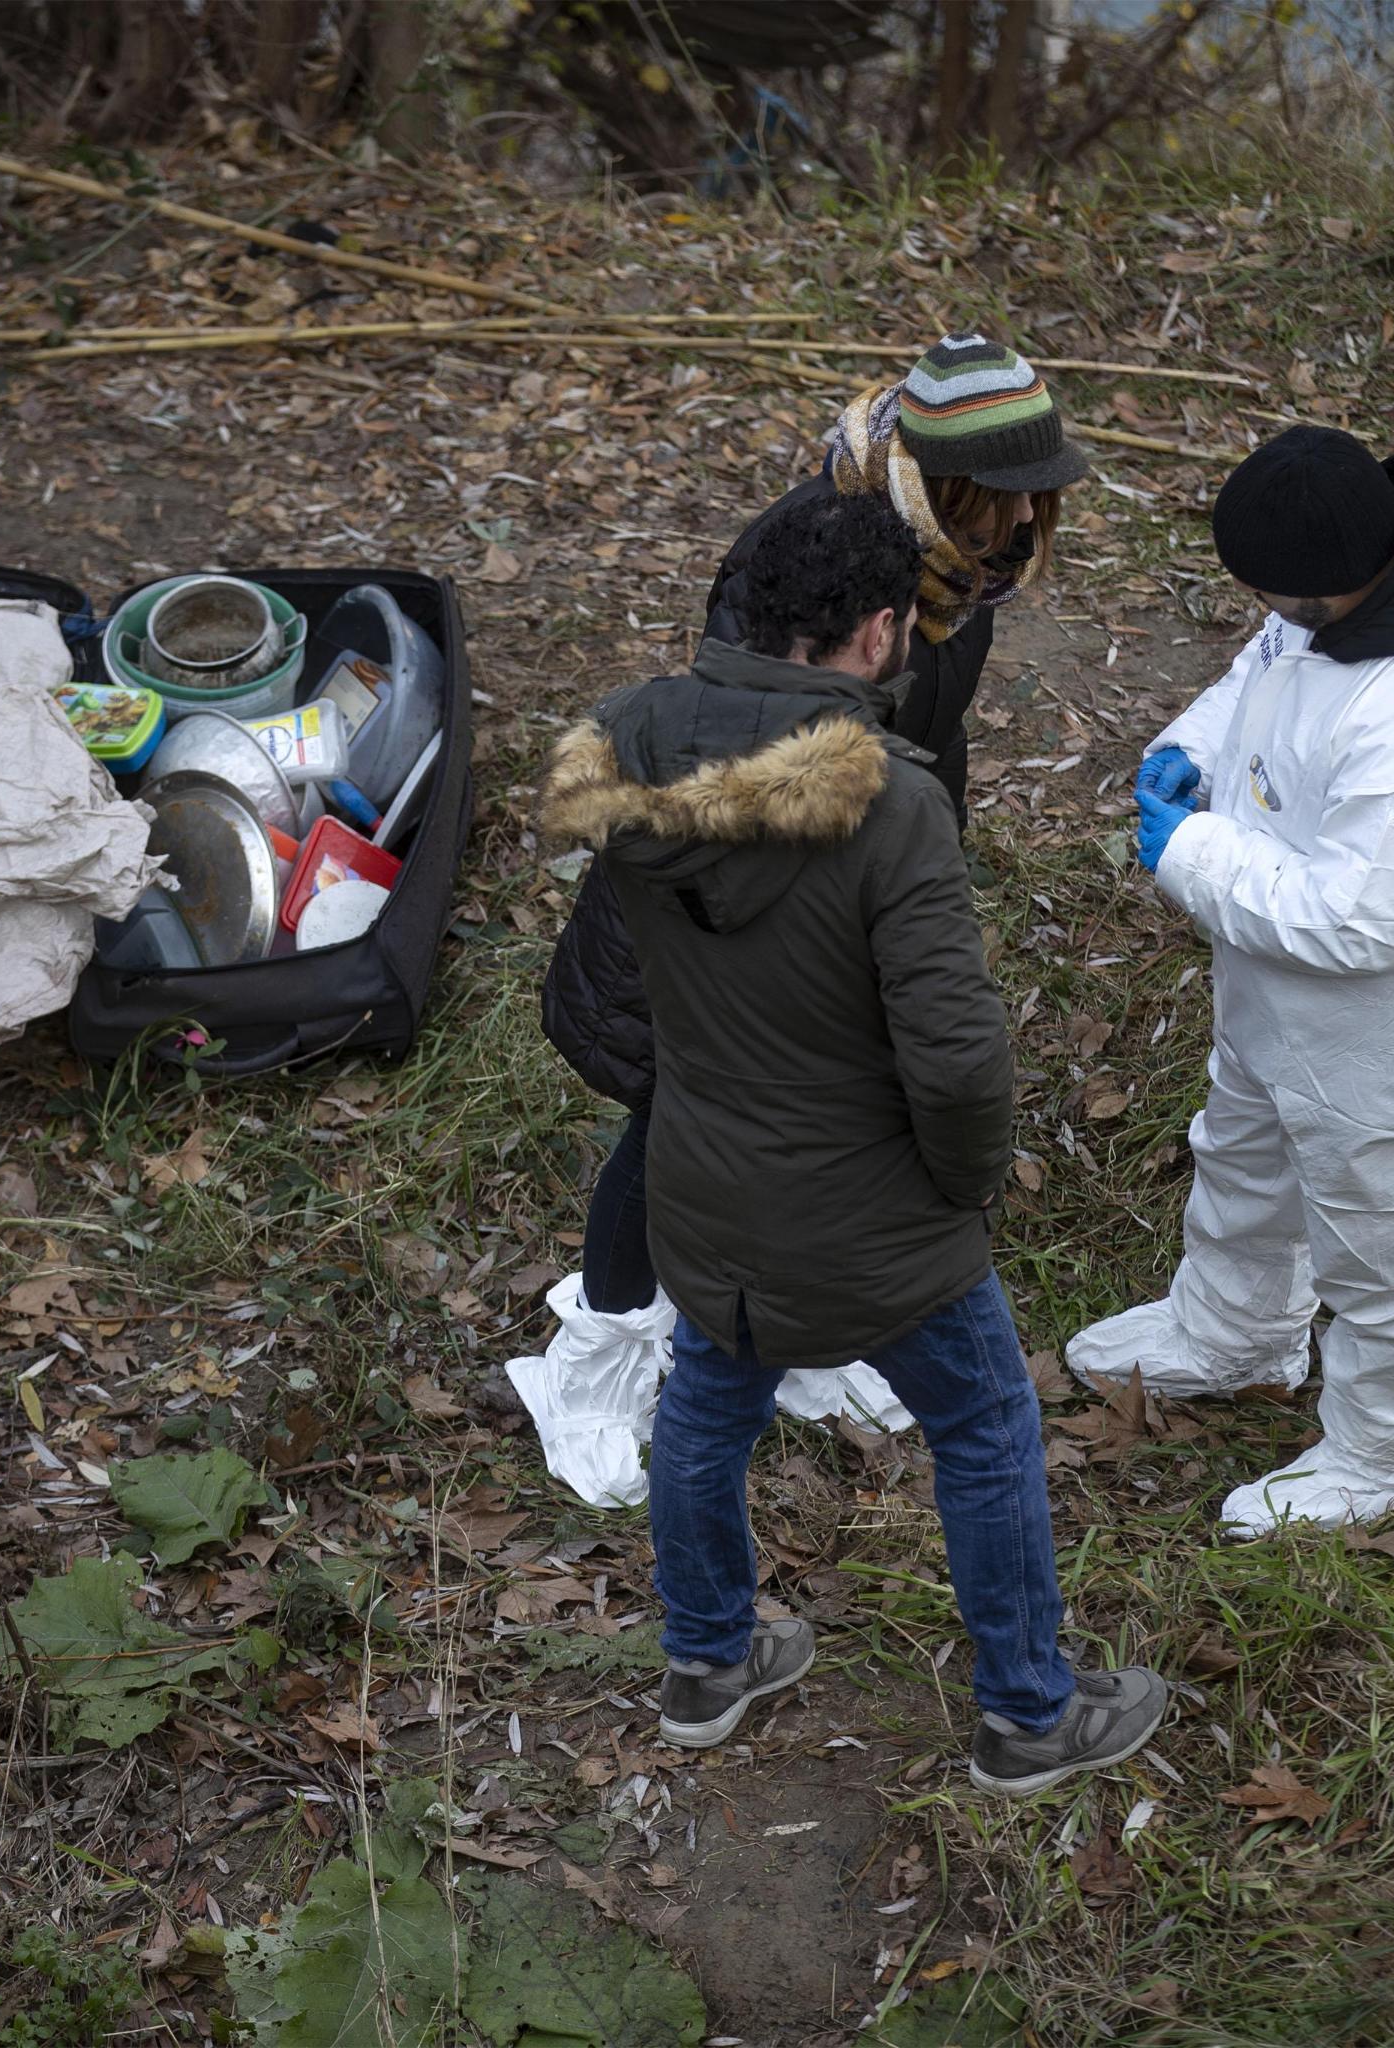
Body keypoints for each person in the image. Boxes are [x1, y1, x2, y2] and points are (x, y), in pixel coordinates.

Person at [538, 487, 1167, 1791]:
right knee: (986, 1423)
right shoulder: (890, 809)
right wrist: (965, 1189)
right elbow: (955, 1061)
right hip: (874, 1216)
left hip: (705, 1192)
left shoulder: (637, 745)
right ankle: (1030, 1716)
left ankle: (708, 1662)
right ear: (881, 635)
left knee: (708, 1407)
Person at [528, 332, 1093, 1378]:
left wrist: (921, 850)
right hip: (728, 893)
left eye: (1035, 492)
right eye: (1007, 492)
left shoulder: (964, 564)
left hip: (850, 876)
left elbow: (925, 726)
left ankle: (789, 1316)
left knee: (821, 1118)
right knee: (676, 1113)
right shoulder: (814, 549)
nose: (1025, 517)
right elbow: (734, 734)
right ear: (946, 476)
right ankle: (605, 1338)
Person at [1069, 424, 1394, 1538]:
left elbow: (1366, 919)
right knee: (1245, 1158)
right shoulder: (1345, 587)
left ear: (1346, 576)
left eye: (1272, 590)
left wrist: (1187, 850)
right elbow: (1263, 675)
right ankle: (1236, 1332)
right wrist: (1197, 751)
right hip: (1279, 994)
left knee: (1391, 1241)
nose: (1264, 606)